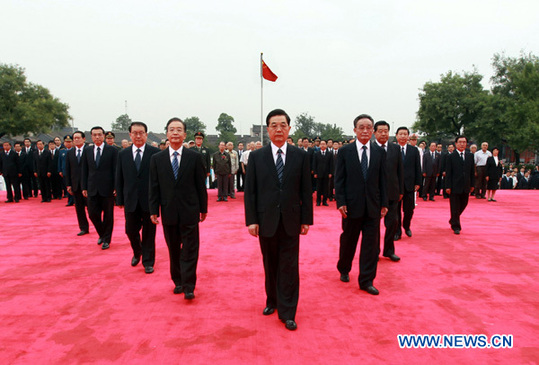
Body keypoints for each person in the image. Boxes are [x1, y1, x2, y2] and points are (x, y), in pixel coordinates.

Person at [244, 108, 313, 331]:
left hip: (292, 219)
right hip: (266, 220)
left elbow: (305, 190)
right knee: (270, 263)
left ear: (289, 128)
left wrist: (306, 219)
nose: (279, 129)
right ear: (268, 130)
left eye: (283, 125)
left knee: (289, 266)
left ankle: (288, 311)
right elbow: (251, 191)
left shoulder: (300, 156)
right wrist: (251, 220)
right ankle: (272, 300)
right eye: (274, 125)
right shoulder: (256, 157)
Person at [149, 117, 208, 300]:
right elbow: (154, 186)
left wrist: (203, 208)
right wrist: (153, 210)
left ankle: (189, 285)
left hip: (190, 211)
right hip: (168, 211)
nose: (175, 133)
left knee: (190, 248)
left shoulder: (194, 157)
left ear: (184, 134)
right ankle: (178, 281)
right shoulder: (157, 159)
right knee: (173, 248)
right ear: (167, 134)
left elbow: (200, 185)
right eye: (171, 129)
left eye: (179, 130)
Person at [335, 114, 388, 296]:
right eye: (361, 127)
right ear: (355, 130)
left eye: (368, 127)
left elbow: (383, 179)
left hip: (373, 206)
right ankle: (344, 267)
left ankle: (366, 280)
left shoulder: (380, 152)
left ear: (372, 131)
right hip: (351, 206)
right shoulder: (345, 151)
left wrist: (384, 203)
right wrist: (340, 202)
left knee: (371, 246)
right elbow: (339, 179)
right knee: (349, 241)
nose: (365, 131)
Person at [116, 122, 160, 274]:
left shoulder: (155, 153)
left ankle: (148, 261)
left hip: (149, 201)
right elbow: (119, 178)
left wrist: (159, 200)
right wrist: (120, 199)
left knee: (149, 233)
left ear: (146, 135)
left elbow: (159, 179)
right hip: (130, 200)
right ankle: (137, 251)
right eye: (135, 133)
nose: (138, 135)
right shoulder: (123, 154)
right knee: (130, 230)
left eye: (141, 132)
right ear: (130, 135)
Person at [81, 126, 119, 249]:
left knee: (108, 215)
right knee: (92, 214)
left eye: (99, 134)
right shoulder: (87, 150)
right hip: (92, 187)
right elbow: (84, 170)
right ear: (91, 137)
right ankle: (102, 234)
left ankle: (106, 239)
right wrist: (84, 186)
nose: (97, 137)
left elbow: (116, 170)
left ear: (103, 136)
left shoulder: (112, 150)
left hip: (107, 188)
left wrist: (115, 186)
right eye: (94, 135)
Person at [373, 121, 403, 262]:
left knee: (393, 223)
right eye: (380, 131)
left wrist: (400, 190)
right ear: (375, 133)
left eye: (386, 131)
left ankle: (389, 250)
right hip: (375, 194)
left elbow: (400, 171)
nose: (383, 133)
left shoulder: (395, 149)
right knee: (374, 226)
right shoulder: (370, 149)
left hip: (392, 192)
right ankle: (375, 251)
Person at [395, 127, 421, 240]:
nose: (402, 136)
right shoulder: (393, 149)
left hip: (410, 184)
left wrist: (418, 182)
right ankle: (397, 231)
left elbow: (417, 167)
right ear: (396, 136)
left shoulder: (414, 150)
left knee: (409, 209)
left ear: (408, 136)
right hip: (395, 185)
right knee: (395, 210)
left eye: (405, 134)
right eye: (400, 134)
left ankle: (406, 225)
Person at [445, 136, 475, 235]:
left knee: (464, 203)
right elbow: (448, 173)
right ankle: (456, 226)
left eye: (464, 142)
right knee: (454, 206)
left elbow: (472, 171)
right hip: (454, 185)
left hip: (466, 184)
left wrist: (472, 184)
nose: (462, 144)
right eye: (460, 142)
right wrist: (447, 186)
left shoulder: (470, 156)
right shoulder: (451, 156)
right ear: (456, 144)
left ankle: (453, 219)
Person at [65, 131, 90, 236]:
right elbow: (68, 169)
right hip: (75, 184)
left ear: (84, 139)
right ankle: (83, 227)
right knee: (79, 208)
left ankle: (99, 226)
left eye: (78, 138)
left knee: (92, 209)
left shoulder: (89, 151)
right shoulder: (70, 152)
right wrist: (68, 184)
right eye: (74, 138)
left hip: (88, 185)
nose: (76, 140)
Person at [312, 140, 333, 206]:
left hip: (327, 173)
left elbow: (331, 164)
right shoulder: (316, 154)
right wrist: (315, 172)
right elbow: (314, 164)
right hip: (319, 173)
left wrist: (330, 173)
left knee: (325, 188)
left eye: (324, 144)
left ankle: (324, 201)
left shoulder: (329, 154)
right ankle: (318, 201)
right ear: (320, 145)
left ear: (326, 145)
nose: (323, 145)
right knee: (319, 188)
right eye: (321, 144)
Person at [58, 135, 74, 206]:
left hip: (74, 172)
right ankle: (70, 200)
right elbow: (59, 162)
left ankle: (76, 201)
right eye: (66, 142)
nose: (68, 143)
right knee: (67, 186)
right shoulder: (62, 152)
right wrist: (60, 170)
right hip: (65, 171)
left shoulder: (74, 150)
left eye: (69, 142)